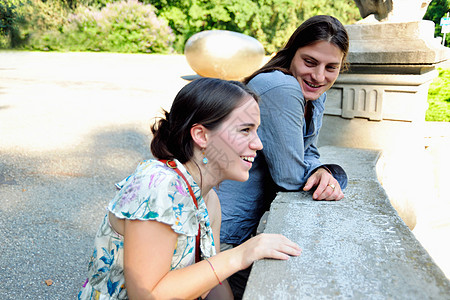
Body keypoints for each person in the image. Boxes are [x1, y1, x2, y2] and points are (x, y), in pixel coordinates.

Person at [78, 77, 302, 300]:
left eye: (256, 130)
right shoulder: (157, 187)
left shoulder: (209, 198)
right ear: (201, 135)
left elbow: (212, 282)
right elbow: (147, 295)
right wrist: (241, 255)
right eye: (245, 130)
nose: (258, 144)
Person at [217, 15, 350, 299]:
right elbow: (289, 177)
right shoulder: (283, 87)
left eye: (331, 67)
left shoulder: (312, 91)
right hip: (221, 231)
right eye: (310, 62)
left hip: (239, 228)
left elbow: (308, 152)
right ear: (292, 53)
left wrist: (320, 170)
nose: (319, 76)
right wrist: (324, 173)